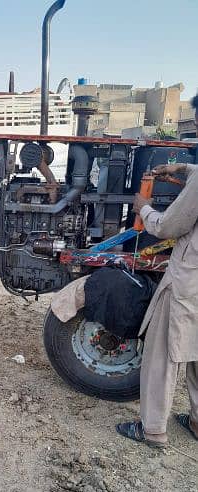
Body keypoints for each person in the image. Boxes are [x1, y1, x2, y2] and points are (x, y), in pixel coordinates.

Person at [116, 93, 198, 448]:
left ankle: (152, 430)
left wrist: (145, 209)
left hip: (190, 279)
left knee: (162, 352)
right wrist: (182, 169)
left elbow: (167, 227)